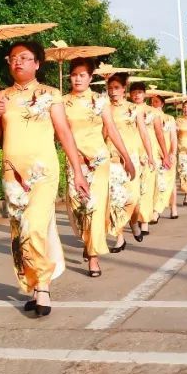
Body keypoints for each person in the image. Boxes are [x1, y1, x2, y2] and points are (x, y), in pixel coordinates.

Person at [0, 41, 89, 316]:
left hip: (43, 172)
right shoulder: (2, 96)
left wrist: (78, 172)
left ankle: (42, 286)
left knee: (33, 226)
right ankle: (35, 284)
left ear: (37, 63)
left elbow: (65, 134)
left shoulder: (50, 94)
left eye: (25, 57)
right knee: (21, 232)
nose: (17, 62)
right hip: (12, 173)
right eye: (13, 58)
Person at [63, 59, 135, 278]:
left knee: (94, 207)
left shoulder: (99, 101)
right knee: (78, 207)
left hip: (98, 161)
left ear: (90, 78)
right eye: (74, 74)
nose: (77, 78)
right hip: (74, 160)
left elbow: (111, 129)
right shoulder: (61, 102)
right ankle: (89, 240)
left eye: (82, 75)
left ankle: (93, 258)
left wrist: (127, 158)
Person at [103, 71, 153, 249]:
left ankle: (133, 222)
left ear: (124, 89)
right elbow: (102, 133)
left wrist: (150, 155)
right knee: (116, 199)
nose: (113, 91)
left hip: (131, 158)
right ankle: (119, 238)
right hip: (112, 158)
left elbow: (144, 134)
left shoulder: (135, 109)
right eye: (110, 88)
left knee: (133, 198)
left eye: (116, 88)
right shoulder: (104, 108)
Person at [128, 82, 162, 235]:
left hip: (149, 151)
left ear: (145, 94)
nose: (136, 95)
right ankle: (132, 218)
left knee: (147, 187)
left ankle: (145, 221)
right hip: (130, 151)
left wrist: (165, 154)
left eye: (140, 92)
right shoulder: (126, 109)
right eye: (134, 92)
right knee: (132, 188)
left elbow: (159, 133)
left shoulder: (153, 112)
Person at [148, 93, 179, 220]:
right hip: (154, 153)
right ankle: (155, 210)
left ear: (162, 103)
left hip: (166, 154)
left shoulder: (169, 118)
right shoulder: (148, 117)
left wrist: (172, 153)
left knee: (169, 182)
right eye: (151, 101)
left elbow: (173, 138)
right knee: (155, 182)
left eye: (156, 101)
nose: (153, 104)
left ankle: (173, 207)